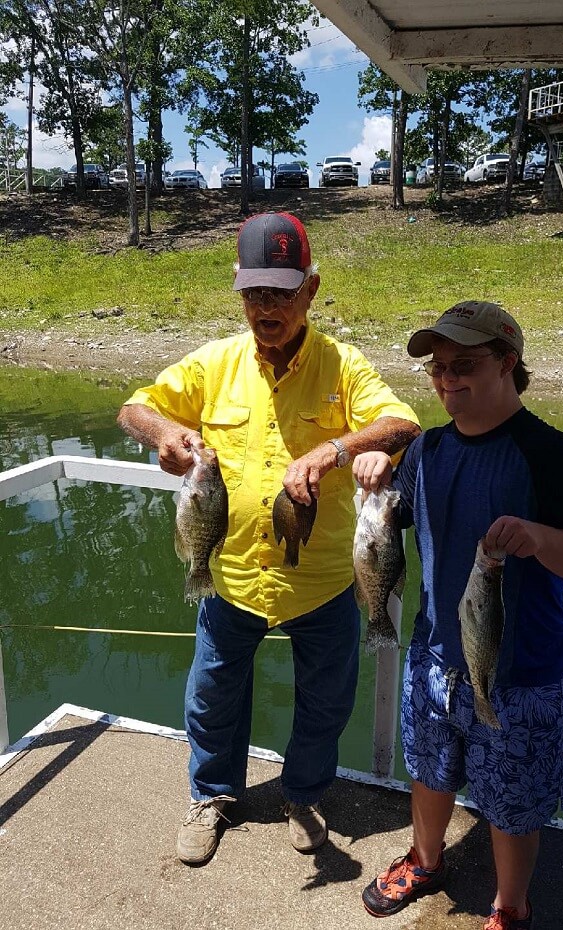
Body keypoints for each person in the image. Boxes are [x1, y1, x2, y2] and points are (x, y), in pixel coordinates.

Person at [116, 212, 420, 864]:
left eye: (281, 293)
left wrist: (334, 450)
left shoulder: (342, 366)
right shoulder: (216, 363)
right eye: (254, 293)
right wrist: (164, 435)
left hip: (322, 581)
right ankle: (211, 796)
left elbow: (401, 424)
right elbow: (135, 407)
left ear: (311, 288)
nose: (267, 308)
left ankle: (302, 796)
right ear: (238, 288)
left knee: (325, 701)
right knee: (211, 697)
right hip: (229, 576)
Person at [356, 301, 563, 929]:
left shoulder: (557, 456)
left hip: (522, 671)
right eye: (438, 368)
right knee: (429, 771)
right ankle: (425, 860)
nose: (447, 379)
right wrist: (378, 473)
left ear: (507, 362)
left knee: (514, 803)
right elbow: (393, 521)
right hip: (434, 656)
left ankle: (510, 905)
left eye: (464, 365)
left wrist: (538, 537)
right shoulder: (428, 449)